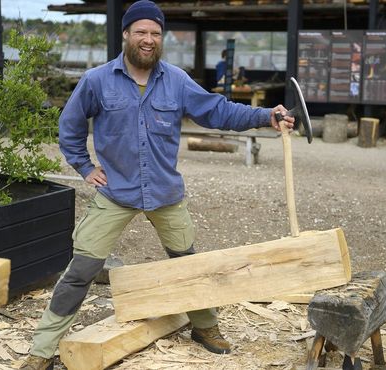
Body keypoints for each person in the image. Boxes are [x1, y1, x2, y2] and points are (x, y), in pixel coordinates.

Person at [20, 1, 293, 369]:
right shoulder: (97, 81)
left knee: (187, 264)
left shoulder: (176, 81)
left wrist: (265, 115)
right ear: (126, 35)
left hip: (165, 192)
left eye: (155, 33)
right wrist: (85, 167)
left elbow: (218, 110)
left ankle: (204, 327)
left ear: (161, 38)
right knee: (81, 270)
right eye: (141, 32)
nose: (148, 40)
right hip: (116, 191)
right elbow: (69, 128)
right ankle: (41, 351)